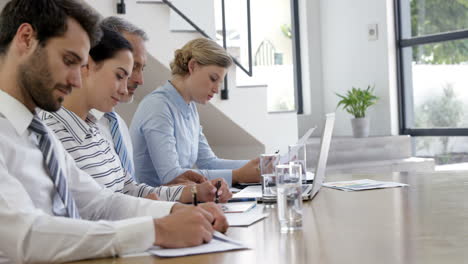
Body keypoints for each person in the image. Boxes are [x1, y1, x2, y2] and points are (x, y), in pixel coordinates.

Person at [0, 1, 227, 263]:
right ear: (26, 39)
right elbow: (26, 237)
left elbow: (100, 203)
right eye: (69, 61)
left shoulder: (39, 134)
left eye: (81, 65)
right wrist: (156, 230)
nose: (76, 80)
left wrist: (174, 211)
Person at [41, 25, 231, 203]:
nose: (125, 89)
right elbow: (93, 209)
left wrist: (194, 192)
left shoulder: (96, 132)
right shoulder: (49, 136)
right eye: (119, 75)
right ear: (88, 66)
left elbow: (128, 189)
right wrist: (154, 213)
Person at [130, 38, 261, 188]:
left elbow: (209, 162)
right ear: (192, 66)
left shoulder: (189, 107)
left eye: (220, 83)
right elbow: (171, 176)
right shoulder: (157, 107)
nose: (217, 90)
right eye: (213, 79)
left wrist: (258, 165)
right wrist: (237, 175)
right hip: (157, 205)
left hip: (180, 201)